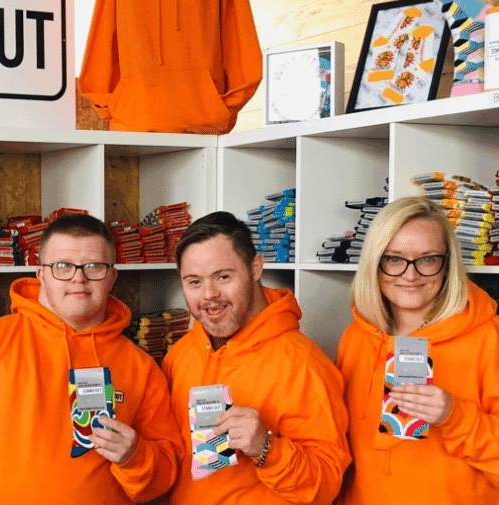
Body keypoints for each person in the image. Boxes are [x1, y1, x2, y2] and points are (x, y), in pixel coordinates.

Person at [0, 213, 182, 504]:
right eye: (63, 266)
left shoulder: (141, 367)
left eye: (94, 266)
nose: (78, 277)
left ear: (112, 277)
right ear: (41, 274)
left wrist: (134, 457)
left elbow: (166, 473)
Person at [161, 211, 351, 504]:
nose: (209, 295)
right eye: (194, 282)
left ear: (255, 268)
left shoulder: (303, 365)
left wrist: (267, 449)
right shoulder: (180, 354)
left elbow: (327, 484)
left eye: (223, 277)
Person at [336, 196, 499, 503]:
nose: (410, 276)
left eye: (427, 259)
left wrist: (456, 415)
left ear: (447, 264)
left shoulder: (489, 340)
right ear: (375, 262)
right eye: (394, 259)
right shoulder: (355, 338)